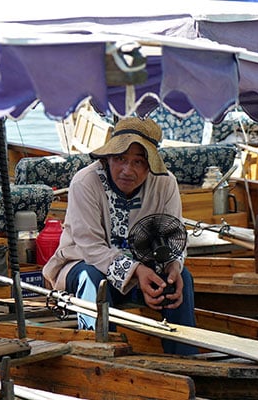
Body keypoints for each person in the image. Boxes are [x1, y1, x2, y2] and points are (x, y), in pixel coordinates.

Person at [42, 116, 198, 355]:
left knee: (180, 278)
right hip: (80, 264)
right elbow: (91, 248)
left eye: (138, 162)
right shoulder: (85, 182)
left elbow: (172, 236)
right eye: (120, 159)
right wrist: (136, 270)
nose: (127, 170)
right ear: (108, 159)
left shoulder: (165, 183)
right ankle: (101, 354)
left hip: (144, 269)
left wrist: (174, 265)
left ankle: (186, 359)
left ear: (150, 165)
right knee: (93, 279)